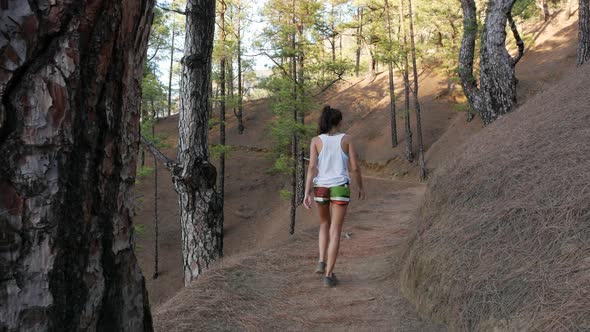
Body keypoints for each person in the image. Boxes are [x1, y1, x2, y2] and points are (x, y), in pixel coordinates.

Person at [303, 105, 366, 288]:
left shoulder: (316, 141)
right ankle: (329, 275)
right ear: (338, 122)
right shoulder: (347, 139)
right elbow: (354, 167)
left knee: (324, 224)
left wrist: (307, 191)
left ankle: (321, 261)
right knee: (336, 231)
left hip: (320, 187)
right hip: (340, 187)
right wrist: (360, 186)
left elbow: (312, 168)